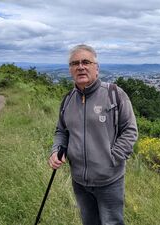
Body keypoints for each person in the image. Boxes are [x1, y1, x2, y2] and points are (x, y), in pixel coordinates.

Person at [48, 44, 138, 225]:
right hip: (79, 180)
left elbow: (130, 130)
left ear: (96, 67)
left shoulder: (114, 94)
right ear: (70, 70)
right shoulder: (67, 100)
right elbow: (61, 131)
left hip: (109, 181)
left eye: (86, 62)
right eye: (75, 63)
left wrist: (112, 159)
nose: (80, 67)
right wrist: (56, 150)